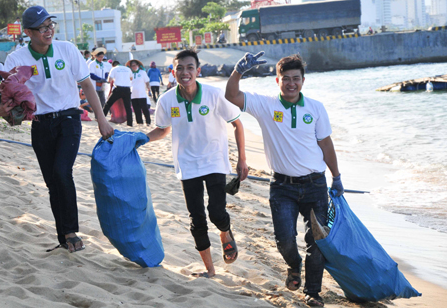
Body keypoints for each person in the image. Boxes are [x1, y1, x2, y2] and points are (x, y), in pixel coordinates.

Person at [225, 51, 344, 307]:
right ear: (277, 80)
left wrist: (337, 176)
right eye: (286, 78)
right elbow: (231, 95)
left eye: (296, 79)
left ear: (303, 81)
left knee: (317, 241)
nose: (291, 83)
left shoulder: (316, 108)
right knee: (285, 240)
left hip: (315, 185)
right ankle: (293, 264)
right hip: (282, 188)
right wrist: (238, 72)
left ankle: (313, 292)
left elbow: (326, 143)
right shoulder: (266, 105)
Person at [0, 5, 114, 253]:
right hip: (40, 124)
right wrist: (0, 111)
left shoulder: (67, 49)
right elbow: (4, 96)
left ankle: (70, 231)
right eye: (42, 28)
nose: (49, 31)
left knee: (62, 171)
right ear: (28, 32)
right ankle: (64, 237)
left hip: (69, 119)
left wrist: (102, 119)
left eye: (51, 25)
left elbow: (88, 87)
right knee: (52, 182)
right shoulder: (17, 58)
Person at [146, 49, 249, 278]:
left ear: (198, 71)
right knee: (197, 218)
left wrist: (242, 159)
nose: (185, 72)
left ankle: (225, 233)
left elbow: (237, 124)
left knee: (216, 212)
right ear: (173, 72)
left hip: (214, 161)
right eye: (180, 68)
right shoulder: (167, 100)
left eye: (190, 68)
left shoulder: (214, 95)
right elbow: (162, 130)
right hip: (187, 165)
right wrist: (141, 139)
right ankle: (210, 270)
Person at [103, 60, 133, 126]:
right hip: (127, 89)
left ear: (113, 65)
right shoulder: (128, 69)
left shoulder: (114, 69)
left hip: (118, 89)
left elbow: (109, 80)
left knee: (108, 103)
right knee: (128, 107)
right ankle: (130, 123)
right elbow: (131, 78)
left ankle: (102, 118)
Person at [126, 59, 151, 126]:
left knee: (145, 109)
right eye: (132, 66)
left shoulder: (142, 72)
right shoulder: (130, 74)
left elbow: (147, 81)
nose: (133, 67)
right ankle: (139, 122)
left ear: (138, 65)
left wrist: (149, 88)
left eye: (135, 65)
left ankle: (148, 122)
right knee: (136, 110)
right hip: (133, 95)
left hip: (141, 94)